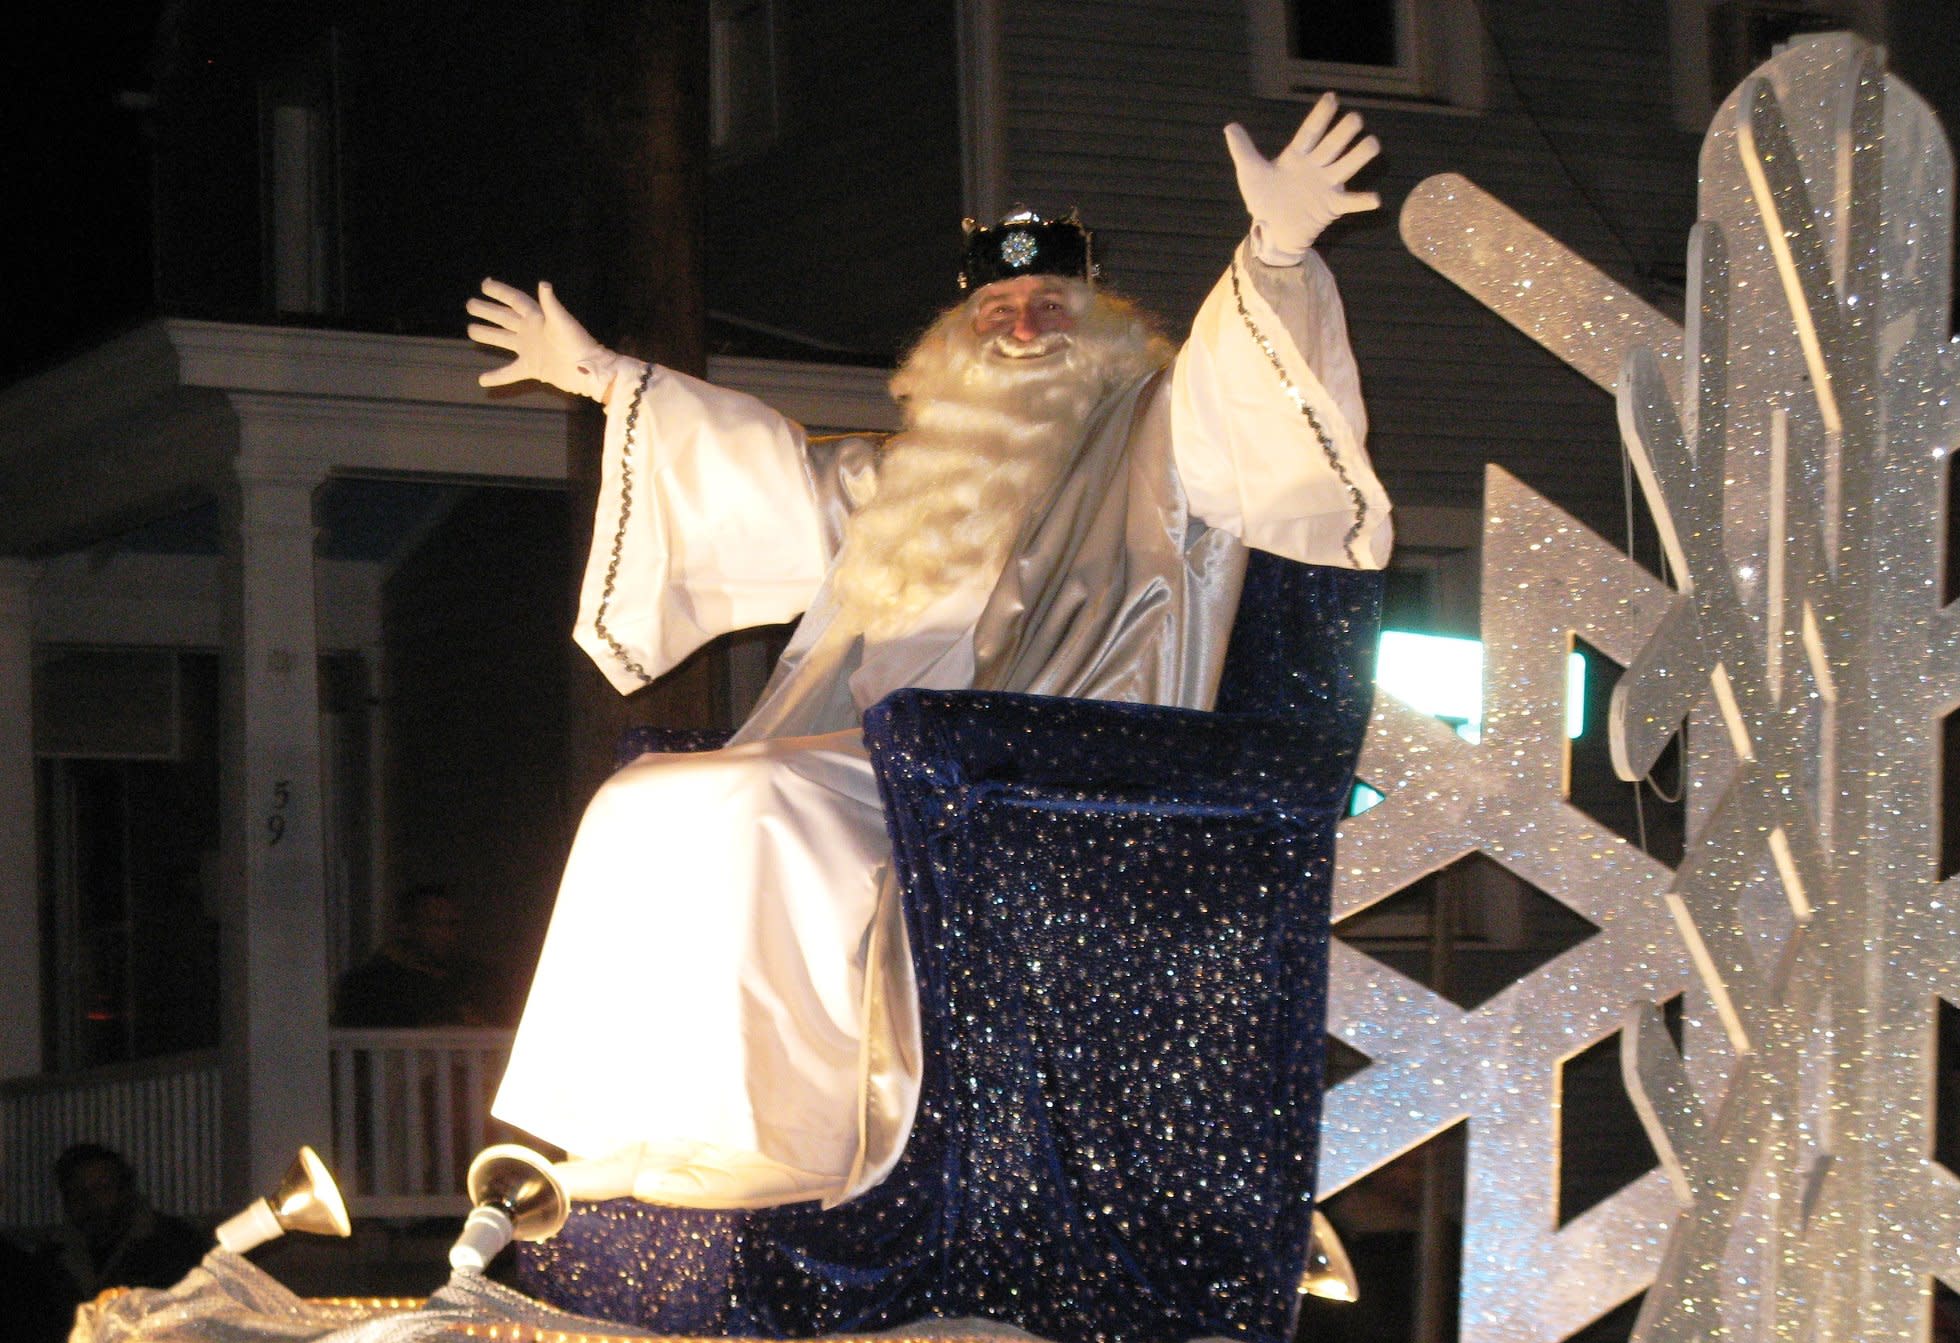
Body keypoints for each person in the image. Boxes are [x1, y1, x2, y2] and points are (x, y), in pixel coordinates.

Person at [466, 95, 1393, 1214]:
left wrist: (1275, 253)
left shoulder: (1153, 434)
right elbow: (761, 473)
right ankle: (625, 1129)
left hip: (1035, 778)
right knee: (644, 801)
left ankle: (790, 1140)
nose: (1018, 325)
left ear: (1099, 321)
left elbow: (1242, 399)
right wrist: (606, 378)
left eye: (1047, 304)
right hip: (871, 766)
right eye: (995, 307)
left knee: (759, 804)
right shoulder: (912, 472)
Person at [38, 1144, 210, 1301]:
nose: (90, 1200)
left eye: (102, 1188)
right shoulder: (52, 1257)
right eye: (77, 1192)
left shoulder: (175, 1244)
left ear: (125, 1191)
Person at [332, 883, 499, 1030]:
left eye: (452, 924)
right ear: (406, 928)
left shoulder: (473, 977)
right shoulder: (370, 984)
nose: (446, 934)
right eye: (435, 924)